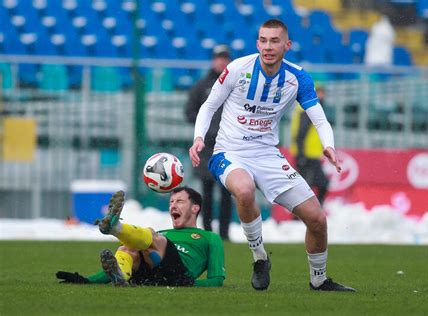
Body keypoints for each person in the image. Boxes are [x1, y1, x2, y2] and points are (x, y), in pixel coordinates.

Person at [189, 19, 355, 292]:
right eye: (263, 40)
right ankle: (259, 258)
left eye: (275, 40)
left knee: (317, 219)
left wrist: (329, 145)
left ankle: (319, 279)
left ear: (287, 45)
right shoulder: (237, 69)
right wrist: (198, 138)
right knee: (243, 190)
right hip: (229, 152)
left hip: (268, 155)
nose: (268, 46)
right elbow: (208, 107)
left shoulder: (297, 77)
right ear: (257, 44)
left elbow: (320, 119)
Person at [56, 187, 225, 287]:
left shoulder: (209, 237)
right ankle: (121, 276)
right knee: (127, 248)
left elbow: (216, 280)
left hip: (179, 275)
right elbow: (110, 265)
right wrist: (86, 280)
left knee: (152, 235)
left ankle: (115, 228)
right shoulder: (164, 233)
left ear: (195, 208)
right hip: (150, 277)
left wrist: (188, 284)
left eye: (179, 202)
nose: (173, 205)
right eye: (171, 202)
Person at [185, 45, 233, 240]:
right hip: (206, 148)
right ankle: (207, 232)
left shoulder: (234, 85)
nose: (222, 61)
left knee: (227, 192)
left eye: (225, 58)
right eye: (218, 58)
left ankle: (224, 234)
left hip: (228, 146)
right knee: (206, 191)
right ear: (213, 60)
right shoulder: (201, 86)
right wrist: (206, 127)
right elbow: (189, 113)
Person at [291, 85, 330, 205]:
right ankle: (307, 214)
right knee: (313, 185)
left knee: (309, 186)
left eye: (323, 93)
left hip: (310, 154)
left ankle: (308, 213)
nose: (321, 96)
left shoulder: (306, 108)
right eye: (319, 93)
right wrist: (301, 155)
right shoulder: (308, 110)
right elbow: (301, 134)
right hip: (306, 155)